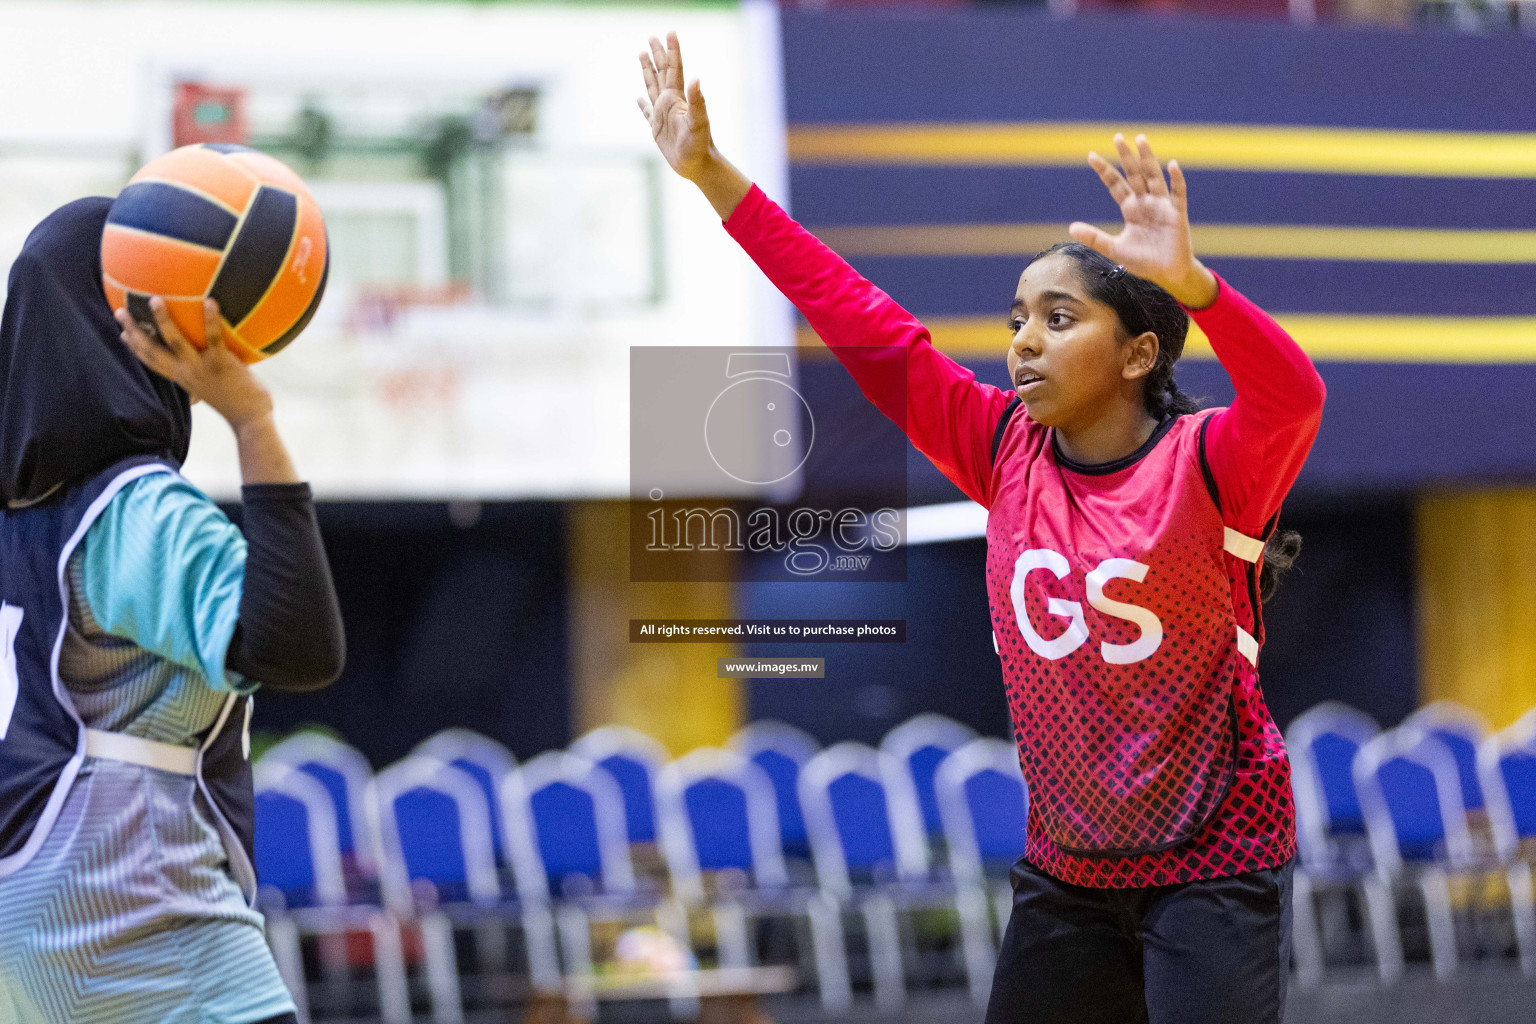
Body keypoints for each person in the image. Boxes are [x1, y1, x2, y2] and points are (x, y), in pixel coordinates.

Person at [637, 32, 1324, 1024]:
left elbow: (1294, 395)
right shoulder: (1000, 445)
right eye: (1016, 320)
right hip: (1070, 867)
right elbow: (863, 321)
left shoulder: (1212, 461)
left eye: (1057, 318)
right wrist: (712, 176)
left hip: (1215, 858)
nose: (1022, 343)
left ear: (1137, 352)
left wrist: (1198, 288)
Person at [0, 196, 345, 1024]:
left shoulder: (17, 525)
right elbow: (299, 646)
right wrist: (250, 416)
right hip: (127, 895)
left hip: (22, 895)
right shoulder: (134, 508)